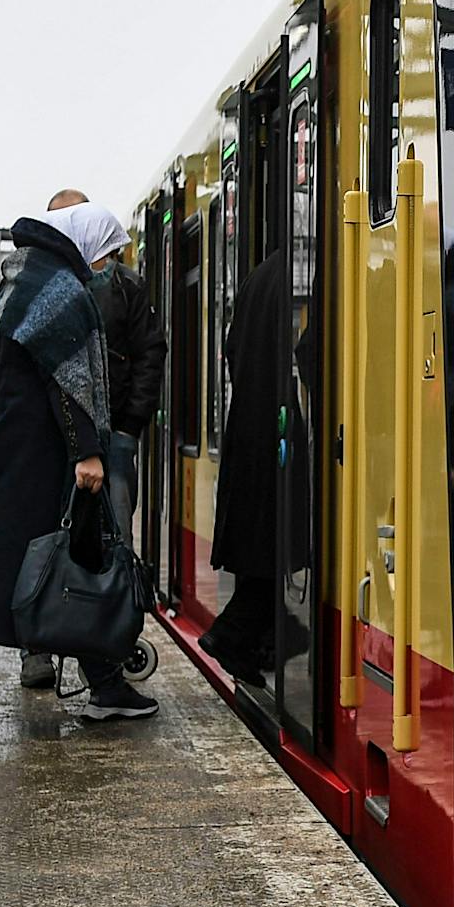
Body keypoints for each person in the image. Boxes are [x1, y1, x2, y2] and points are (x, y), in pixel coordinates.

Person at [0, 202, 157, 730]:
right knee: (15, 568)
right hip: (35, 454)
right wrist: (87, 449)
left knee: (68, 560)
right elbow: (67, 379)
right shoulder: (58, 288)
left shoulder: (30, 277)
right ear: (84, 242)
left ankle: (106, 684)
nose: (108, 266)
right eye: (106, 253)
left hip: (23, 446)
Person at [19, 187, 166, 690]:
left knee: (112, 542)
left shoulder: (126, 287)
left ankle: (106, 651)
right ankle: (40, 646)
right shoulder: (36, 284)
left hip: (111, 439)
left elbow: (150, 354)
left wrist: (128, 426)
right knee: (46, 540)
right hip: (55, 441)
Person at [200, 246, 292, 684]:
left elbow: (232, 345)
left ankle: (253, 638)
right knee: (276, 541)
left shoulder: (261, 275)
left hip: (250, 428)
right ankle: (234, 633)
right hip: (277, 429)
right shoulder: (300, 271)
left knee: (265, 542)